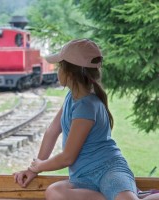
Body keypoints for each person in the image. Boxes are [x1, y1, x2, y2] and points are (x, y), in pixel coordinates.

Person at [13, 39, 159, 200]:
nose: (57, 70)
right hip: (83, 177)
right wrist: (33, 170)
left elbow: (68, 157)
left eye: (60, 66)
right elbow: (52, 131)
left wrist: (40, 165)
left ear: (70, 73)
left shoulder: (87, 106)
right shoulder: (72, 97)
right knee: (54, 193)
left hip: (109, 170)